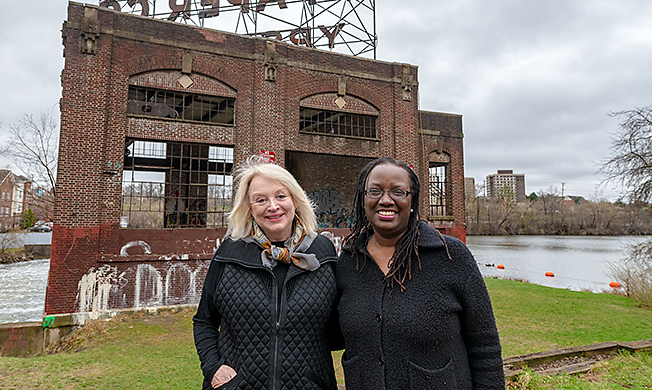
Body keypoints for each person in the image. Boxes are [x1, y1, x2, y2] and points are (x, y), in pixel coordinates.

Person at [336, 157, 505, 390]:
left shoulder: (451, 256)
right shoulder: (348, 261)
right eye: (374, 191)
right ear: (363, 199)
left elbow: (485, 347)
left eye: (398, 192)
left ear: (412, 199)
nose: (386, 200)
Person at [193, 157, 340, 390]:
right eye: (260, 199)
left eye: (281, 196)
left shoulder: (323, 251)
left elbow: (340, 328)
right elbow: (204, 320)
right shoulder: (230, 251)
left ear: (295, 200)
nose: (273, 206)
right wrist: (213, 368)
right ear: (250, 208)